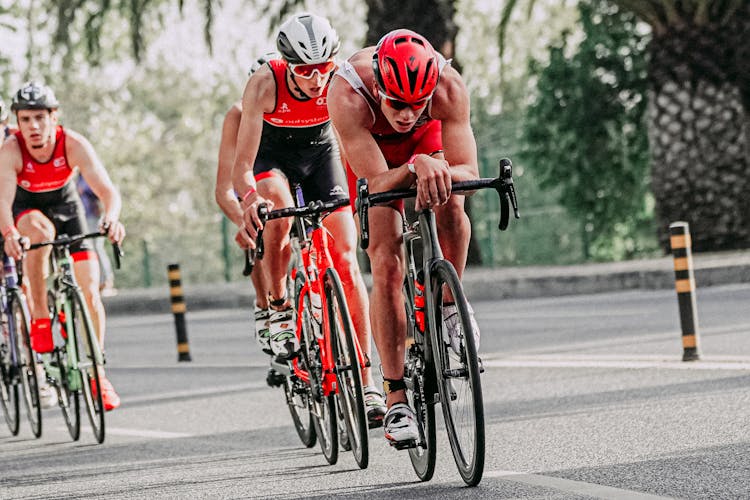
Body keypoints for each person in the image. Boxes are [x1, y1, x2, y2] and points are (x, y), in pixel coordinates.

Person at [327, 29, 481, 445]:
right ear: (378, 84)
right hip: (374, 152)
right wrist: (415, 166)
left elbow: (466, 168)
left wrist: (438, 168)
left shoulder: (448, 87)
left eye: (418, 104)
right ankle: (396, 397)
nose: (408, 114)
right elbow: (375, 183)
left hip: (426, 150)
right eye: (397, 103)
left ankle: (450, 307)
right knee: (387, 261)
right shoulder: (347, 93)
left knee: (451, 200)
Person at [232, 13, 386, 426]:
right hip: (272, 160)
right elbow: (242, 166)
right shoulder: (264, 84)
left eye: (323, 69)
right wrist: (249, 200)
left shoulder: (342, 79)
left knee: (348, 260)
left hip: (321, 156)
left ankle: (368, 383)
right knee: (277, 209)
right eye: (305, 71)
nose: (317, 80)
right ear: (287, 65)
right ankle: (280, 305)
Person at [0, 81, 126, 411]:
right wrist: (11, 233)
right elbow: (2, 200)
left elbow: (108, 192)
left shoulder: (72, 143)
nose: (33, 127)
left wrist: (112, 219)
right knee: (39, 231)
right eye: (25, 119)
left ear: (54, 117)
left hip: (67, 209)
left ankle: (98, 373)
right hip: (27, 211)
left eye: (40, 117)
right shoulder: (11, 150)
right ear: (18, 122)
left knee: (90, 289)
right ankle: (40, 314)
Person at [216, 52, 278, 353]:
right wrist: (244, 219)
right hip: (252, 189)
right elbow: (224, 189)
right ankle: (265, 304)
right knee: (254, 234)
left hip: (287, 184)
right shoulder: (239, 115)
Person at [77, 176, 116, 296]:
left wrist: (84, 191)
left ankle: (105, 281)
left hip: (92, 216)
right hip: (82, 218)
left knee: (96, 248)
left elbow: (101, 191)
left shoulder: (88, 175)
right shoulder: (77, 177)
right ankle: (95, 282)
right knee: (88, 249)